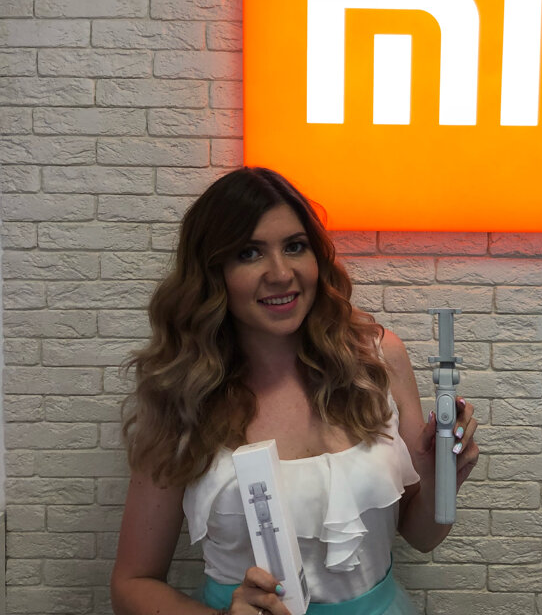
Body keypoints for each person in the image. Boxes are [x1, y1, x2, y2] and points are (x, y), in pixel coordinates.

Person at [111, 167, 479, 615]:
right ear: (212, 273)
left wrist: (442, 479)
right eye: (249, 253)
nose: (281, 273)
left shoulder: (378, 361)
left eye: (294, 246)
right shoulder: (183, 391)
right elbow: (132, 583)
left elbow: (420, 537)